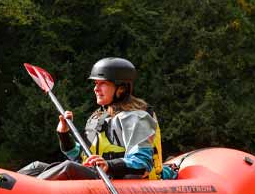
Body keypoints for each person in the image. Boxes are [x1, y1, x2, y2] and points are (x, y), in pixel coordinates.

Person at [19, 57, 169, 181]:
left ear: (121, 88)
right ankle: (4, 187)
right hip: (100, 176)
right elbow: (80, 157)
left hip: (124, 181)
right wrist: (64, 135)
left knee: (68, 168)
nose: (95, 89)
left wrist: (109, 165)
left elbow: (142, 164)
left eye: (103, 83)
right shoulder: (99, 117)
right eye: (96, 83)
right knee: (36, 166)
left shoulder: (136, 117)